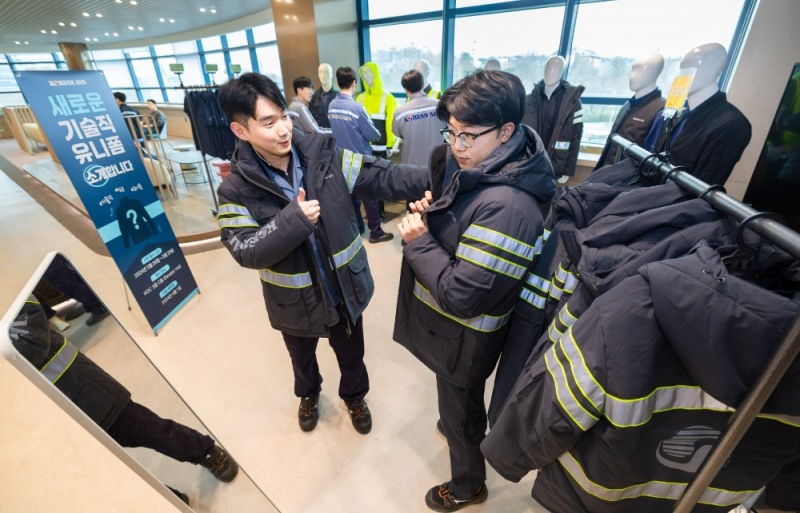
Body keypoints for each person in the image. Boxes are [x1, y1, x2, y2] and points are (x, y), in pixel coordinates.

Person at [214, 72, 424, 435]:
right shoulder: (234, 190)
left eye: (284, 116)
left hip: (343, 288)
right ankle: (309, 394)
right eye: (269, 123)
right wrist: (293, 220)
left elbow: (383, 176)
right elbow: (245, 250)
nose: (284, 129)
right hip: (294, 301)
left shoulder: (323, 156)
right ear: (240, 131)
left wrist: (440, 174)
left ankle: (354, 396)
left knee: (352, 353)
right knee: (302, 358)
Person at [393, 70, 554, 511]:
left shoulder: (509, 206)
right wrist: (436, 212)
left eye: (468, 135)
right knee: (457, 404)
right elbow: (464, 230)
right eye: (452, 133)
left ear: (506, 131)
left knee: (460, 409)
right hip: (455, 336)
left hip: (466, 338)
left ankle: (468, 485)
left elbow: (462, 296)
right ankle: (458, 430)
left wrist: (418, 241)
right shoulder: (486, 169)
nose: (457, 146)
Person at [10, 295, 240, 497]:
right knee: (107, 468)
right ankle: (164, 499)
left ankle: (205, 452)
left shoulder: (8, 290)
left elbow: (32, 342)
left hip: (82, 388)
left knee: (146, 428)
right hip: (41, 420)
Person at [643, 42, 751, 185]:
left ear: (711, 69)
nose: (682, 74)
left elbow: (703, 184)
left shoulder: (732, 124)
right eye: (681, 68)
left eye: (689, 66)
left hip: (668, 198)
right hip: (645, 190)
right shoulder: (677, 113)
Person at [328, 66, 393, 243]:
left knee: (351, 198)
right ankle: (376, 232)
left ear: (338, 83)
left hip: (341, 159)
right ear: (354, 83)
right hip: (360, 160)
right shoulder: (356, 107)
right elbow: (373, 135)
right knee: (370, 197)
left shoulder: (332, 106)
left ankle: (357, 227)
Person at [594, 53, 665, 170]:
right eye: (633, 69)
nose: (632, 76)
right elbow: (611, 145)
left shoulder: (660, 111)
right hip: (606, 172)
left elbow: (651, 160)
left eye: (640, 70)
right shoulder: (627, 105)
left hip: (627, 178)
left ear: (654, 73)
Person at [522, 55, 584, 184]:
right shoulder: (529, 100)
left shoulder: (572, 103)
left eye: (557, 68)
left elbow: (575, 138)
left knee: (547, 194)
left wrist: (568, 169)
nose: (551, 72)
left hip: (555, 164)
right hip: (530, 162)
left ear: (562, 71)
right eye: (548, 68)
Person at [358, 61, 398, 221]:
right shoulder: (360, 97)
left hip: (381, 147)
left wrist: (390, 145)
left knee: (380, 180)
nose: (366, 76)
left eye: (368, 73)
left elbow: (390, 123)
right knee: (368, 180)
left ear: (375, 74)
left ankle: (380, 212)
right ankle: (374, 213)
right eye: (363, 74)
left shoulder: (388, 98)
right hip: (364, 147)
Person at [391, 69, 440, 167]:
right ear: (423, 85)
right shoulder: (440, 106)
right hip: (437, 164)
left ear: (405, 89)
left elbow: (397, 133)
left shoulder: (400, 113)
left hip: (412, 166)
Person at [308, 63, 337, 129]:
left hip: (336, 132)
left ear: (331, 74)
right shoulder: (314, 97)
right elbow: (313, 119)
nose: (323, 75)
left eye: (326, 72)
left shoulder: (339, 96)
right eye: (320, 72)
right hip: (320, 133)